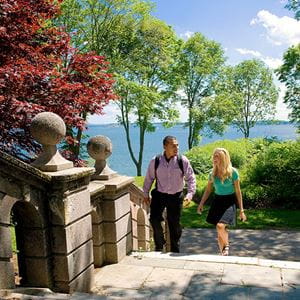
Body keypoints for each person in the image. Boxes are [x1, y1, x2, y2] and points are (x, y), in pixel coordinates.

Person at [143, 136, 196, 253]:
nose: (176, 148)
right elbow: (149, 178)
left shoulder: (183, 161)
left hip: (176, 196)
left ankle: (175, 249)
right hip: (159, 195)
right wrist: (145, 193)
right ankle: (159, 244)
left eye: (177, 145)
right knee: (154, 219)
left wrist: (190, 194)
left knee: (174, 224)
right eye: (173, 145)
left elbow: (191, 178)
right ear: (165, 147)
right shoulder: (155, 161)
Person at [197, 147, 247, 256]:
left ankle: (227, 245)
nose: (215, 158)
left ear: (224, 158)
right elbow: (208, 190)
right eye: (214, 156)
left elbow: (238, 192)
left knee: (220, 226)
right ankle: (222, 254)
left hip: (229, 201)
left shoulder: (233, 172)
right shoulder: (212, 173)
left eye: (217, 156)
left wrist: (241, 210)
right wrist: (201, 203)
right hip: (217, 201)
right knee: (219, 229)